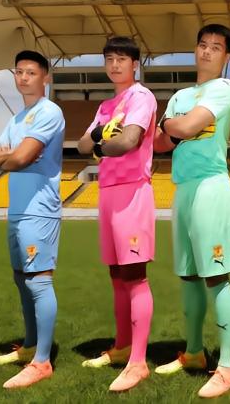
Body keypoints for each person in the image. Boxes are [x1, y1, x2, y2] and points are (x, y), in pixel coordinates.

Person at [152, 24, 230, 398]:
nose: (206, 51)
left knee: (215, 276)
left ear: (227, 56)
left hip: (210, 187)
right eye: (202, 45)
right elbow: (161, 144)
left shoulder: (225, 88)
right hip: (183, 189)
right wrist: (171, 127)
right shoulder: (180, 95)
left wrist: (170, 124)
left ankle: (227, 367)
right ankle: (193, 353)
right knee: (188, 276)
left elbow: (184, 127)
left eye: (216, 47)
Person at [77, 36, 157, 392]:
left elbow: (128, 141)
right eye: (109, 58)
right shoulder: (106, 105)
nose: (114, 64)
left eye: (121, 59)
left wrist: (99, 146)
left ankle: (138, 362)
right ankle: (122, 346)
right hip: (107, 191)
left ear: (134, 64)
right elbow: (82, 144)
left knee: (134, 274)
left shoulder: (141, 97)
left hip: (132, 191)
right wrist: (99, 137)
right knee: (116, 274)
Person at [0, 50, 65, 389]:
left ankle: (42, 362)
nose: (23, 77)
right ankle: (30, 346)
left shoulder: (50, 111)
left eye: (31, 72)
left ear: (45, 77)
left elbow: (20, 159)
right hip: (17, 208)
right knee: (21, 279)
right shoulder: (16, 119)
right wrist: (12, 155)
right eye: (18, 72)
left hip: (39, 208)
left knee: (38, 280)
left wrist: (12, 156)